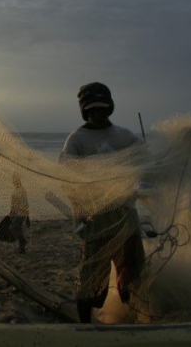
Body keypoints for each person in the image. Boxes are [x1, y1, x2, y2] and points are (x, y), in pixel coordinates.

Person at [59, 82, 145, 323]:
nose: (99, 114)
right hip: (94, 218)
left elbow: (147, 158)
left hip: (125, 215)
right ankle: (85, 325)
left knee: (132, 270)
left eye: (103, 108)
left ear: (110, 108)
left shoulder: (124, 136)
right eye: (92, 110)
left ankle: (132, 316)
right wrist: (80, 210)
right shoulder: (77, 139)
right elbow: (68, 179)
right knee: (91, 279)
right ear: (85, 111)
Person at [9, 171, 30, 253]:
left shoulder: (22, 190)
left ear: (18, 180)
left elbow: (26, 204)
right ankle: (22, 246)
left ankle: (22, 242)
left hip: (21, 213)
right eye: (13, 179)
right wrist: (10, 212)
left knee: (14, 227)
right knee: (15, 228)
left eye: (15, 179)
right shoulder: (16, 189)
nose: (13, 181)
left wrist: (28, 217)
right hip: (15, 212)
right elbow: (13, 203)